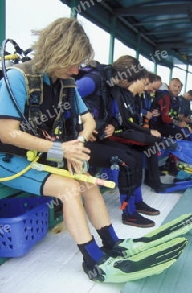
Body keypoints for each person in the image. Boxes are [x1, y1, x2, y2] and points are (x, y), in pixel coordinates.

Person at [0, 18, 175, 281]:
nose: (76, 69)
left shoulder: (66, 82)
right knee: (69, 189)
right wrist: (60, 149)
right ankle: (91, 258)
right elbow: (7, 133)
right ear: (56, 54)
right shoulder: (18, 78)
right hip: (5, 157)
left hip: (41, 152)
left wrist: (78, 145)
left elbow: (89, 120)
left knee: (88, 182)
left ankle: (112, 244)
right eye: (73, 62)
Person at [75, 58, 161, 228]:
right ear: (123, 79)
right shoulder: (92, 81)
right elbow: (63, 102)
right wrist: (80, 128)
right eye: (134, 81)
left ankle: (136, 202)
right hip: (78, 141)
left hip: (98, 138)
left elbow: (116, 116)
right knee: (125, 160)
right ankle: (129, 214)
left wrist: (112, 126)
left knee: (135, 155)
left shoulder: (113, 87)